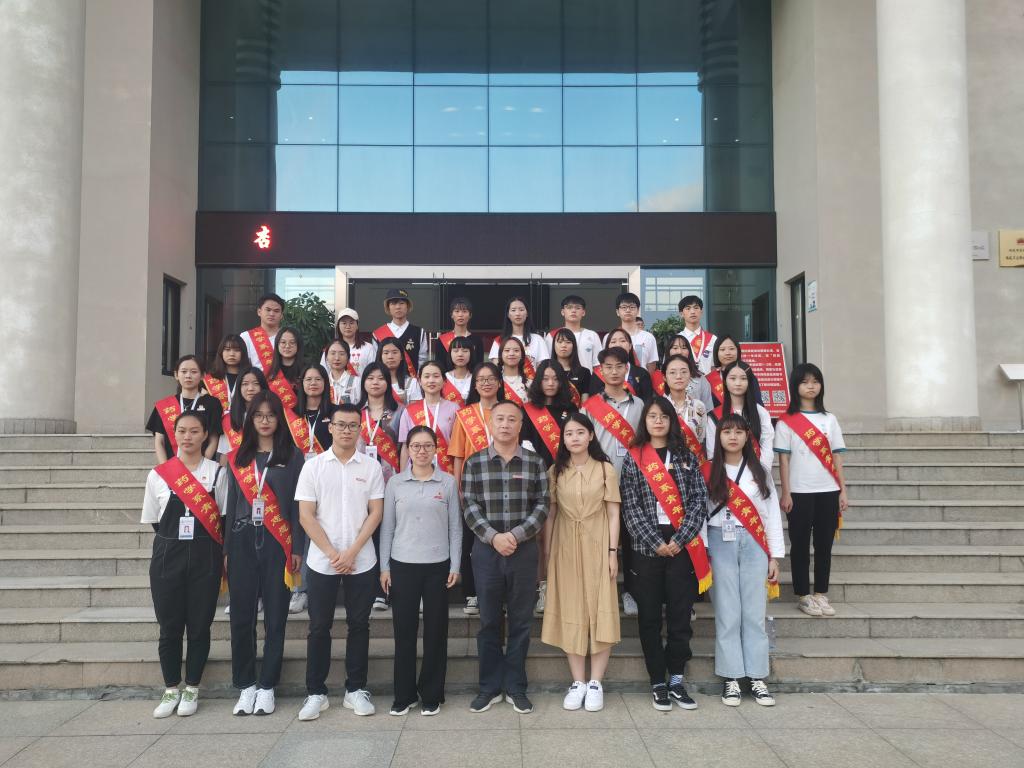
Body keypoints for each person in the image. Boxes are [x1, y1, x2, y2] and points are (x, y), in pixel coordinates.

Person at [295, 404, 385, 721]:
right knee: (319, 626)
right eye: (341, 425)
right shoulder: (313, 467)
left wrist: (352, 551)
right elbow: (306, 516)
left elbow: (376, 512)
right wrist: (333, 553)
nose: (347, 430)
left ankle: (355, 690)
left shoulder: (371, 467)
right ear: (330, 428)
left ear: (360, 429)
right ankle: (315, 693)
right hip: (323, 561)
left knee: (359, 625)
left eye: (353, 425)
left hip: (362, 560)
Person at [619, 397, 710, 712]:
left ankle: (677, 679)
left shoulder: (686, 456)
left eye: (664, 416)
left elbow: (699, 500)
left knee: (680, 616)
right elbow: (630, 507)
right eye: (652, 416)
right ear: (644, 421)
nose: (658, 421)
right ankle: (657, 680)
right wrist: (656, 542)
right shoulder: (634, 457)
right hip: (647, 549)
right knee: (648, 617)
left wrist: (680, 539)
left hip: (682, 547)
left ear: (672, 421)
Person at [462, 401, 549, 715]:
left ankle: (515, 686)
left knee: (521, 621)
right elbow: (469, 505)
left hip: (523, 551)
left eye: (512, 419)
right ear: (490, 422)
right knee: (488, 621)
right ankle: (489, 687)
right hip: (486, 551)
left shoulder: (534, 462)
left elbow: (542, 505)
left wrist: (516, 535)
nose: (505, 424)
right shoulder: (474, 462)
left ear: (520, 425)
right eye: (500, 418)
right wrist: (494, 537)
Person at [222, 391, 304, 717]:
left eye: (271, 415)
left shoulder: (293, 456)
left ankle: (267, 685)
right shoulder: (237, 458)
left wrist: (297, 547)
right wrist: (226, 549)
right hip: (242, 540)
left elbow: (297, 506)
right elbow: (230, 506)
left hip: (277, 542)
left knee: (275, 617)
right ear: (250, 419)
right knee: (242, 618)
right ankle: (246, 685)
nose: (265, 421)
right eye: (259, 415)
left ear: (279, 418)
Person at [142, 411, 225, 718]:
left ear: (205, 436)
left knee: (200, 626)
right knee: (170, 627)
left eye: (194, 431)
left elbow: (223, 517)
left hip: (206, 557)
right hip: (168, 557)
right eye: (181, 431)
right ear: (173, 435)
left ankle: (192, 687)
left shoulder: (217, 473)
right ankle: (170, 688)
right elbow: (154, 519)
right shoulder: (159, 474)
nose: (187, 437)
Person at [379, 426, 462, 716]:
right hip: (402, 564)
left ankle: (431, 694)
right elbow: (387, 527)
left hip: (438, 566)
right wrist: (384, 567)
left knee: (436, 632)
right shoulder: (395, 483)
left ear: (436, 449)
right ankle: (404, 695)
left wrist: (455, 565)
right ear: (408, 450)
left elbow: (455, 527)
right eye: (416, 446)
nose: (422, 451)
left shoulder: (447, 482)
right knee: (404, 632)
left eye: (428, 446)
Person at [541, 413, 620, 713]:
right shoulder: (556, 470)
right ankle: (578, 682)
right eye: (568, 434)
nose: (574, 438)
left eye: (579, 432)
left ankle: (596, 682)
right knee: (571, 608)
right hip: (565, 544)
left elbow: (613, 513)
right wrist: (549, 553)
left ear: (590, 436)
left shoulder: (605, 469)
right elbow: (550, 514)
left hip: (598, 541)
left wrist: (612, 552)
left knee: (600, 607)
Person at [704, 413, 784, 707]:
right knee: (728, 612)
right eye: (727, 432)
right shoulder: (708, 470)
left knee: (754, 611)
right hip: (719, 541)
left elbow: (772, 514)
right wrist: (703, 552)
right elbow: (699, 513)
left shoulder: (759, 470)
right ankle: (732, 677)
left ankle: (757, 676)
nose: (733, 437)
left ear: (747, 437)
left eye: (739, 432)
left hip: (754, 542)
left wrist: (774, 555)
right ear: (719, 437)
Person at [775, 363, 848, 618]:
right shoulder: (786, 421)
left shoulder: (830, 419)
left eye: (815, 381)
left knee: (824, 544)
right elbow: (783, 460)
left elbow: (837, 457)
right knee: (800, 544)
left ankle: (821, 593)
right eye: (805, 382)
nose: (811, 386)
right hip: (799, 491)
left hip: (828, 490)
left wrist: (843, 490)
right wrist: (786, 492)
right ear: (795, 386)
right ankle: (803, 595)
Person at [581, 347, 643, 617]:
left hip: (632, 480)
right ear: (600, 371)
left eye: (619, 366)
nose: (614, 371)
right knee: (598, 538)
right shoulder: (590, 406)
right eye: (609, 367)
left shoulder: (640, 405)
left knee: (630, 539)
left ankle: (630, 591)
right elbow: (584, 441)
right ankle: (596, 591)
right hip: (600, 479)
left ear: (627, 369)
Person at [448, 362, 505, 617]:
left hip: (504, 487)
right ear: (475, 385)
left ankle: (500, 595)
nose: (486, 383)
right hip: (473, 487)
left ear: (499, 383)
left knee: (501, 539)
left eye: (490, 378)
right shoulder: (465, 415)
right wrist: (458, 488)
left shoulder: (508, 412)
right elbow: (458, 455)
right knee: (471, 543)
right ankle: (471, 594)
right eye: (480, 379)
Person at [520, 360, 577, 615]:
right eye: (545, 378)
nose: (551, 383)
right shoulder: (528, 410)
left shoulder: (571, 409)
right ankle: (543, 586)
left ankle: (565, 587)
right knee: (542, 536)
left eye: (555, 378)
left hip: (567, 477)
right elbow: (524, 443)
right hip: (537, 478)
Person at [287, 364, 336, 614]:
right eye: (308, 379)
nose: (313, 383)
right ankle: (298, 589)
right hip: (297, 478)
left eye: (318, 379)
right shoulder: (291, 415)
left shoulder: (334, 413)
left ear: (325, 383)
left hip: (328, 479)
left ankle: (314, 587)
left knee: (321, 530)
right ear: (301, 384)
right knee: (299, 532)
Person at [357, 362, 404, 611]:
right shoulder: (356, 413)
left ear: (388, 382)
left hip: (390, 481)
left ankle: (384, 591)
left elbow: (404, 447)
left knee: (388, 534)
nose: (375, 382)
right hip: (360, 483)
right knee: (365, 533)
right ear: (363, 382)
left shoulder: (400, 412)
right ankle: (366, 589)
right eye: (370, 378)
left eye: (380, 378)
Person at [147, 355, 223, 464]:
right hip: (172, 467)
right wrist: (166, 467)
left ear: (203, 375)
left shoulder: (212, 404)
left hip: (202, 467)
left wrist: (201, 466)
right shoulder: (164, 406)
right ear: (176, 375)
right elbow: (159, 441)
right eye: (184, 371)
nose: (188, 376)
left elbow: (213, 439)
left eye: (193, 372)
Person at [706, 361, 774, 474]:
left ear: (749, 382)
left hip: (756, 474)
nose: (738, 383)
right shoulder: (715, 415)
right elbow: (712, 451)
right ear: (725, 381)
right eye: (733, 378)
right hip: (726, 475)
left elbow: (767, 446)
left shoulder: (760, 412)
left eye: (743, 378)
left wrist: (762, 474)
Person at [398, 360, 459, 471]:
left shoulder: (454, 409)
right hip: (415, 472)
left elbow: (458, 447)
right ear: (420, 381)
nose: (431, 380)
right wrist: (402, 476)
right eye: (426, 376)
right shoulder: (409, 411)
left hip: (446, 471)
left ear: (444, 380)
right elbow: (405, 447)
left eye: (436, 376)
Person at [488, 296, 550, 376]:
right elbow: (496, 370)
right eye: (513, 310)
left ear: (527, 313)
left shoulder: (538, 340)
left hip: (532, 383)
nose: (517, 313)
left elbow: (543, 370)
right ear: (508, 314)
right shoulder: (499, 340)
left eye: (521, 310)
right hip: (506, 384)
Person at [373, 288, 428, 376]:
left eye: (401, 303)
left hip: (411, 382)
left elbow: (422, 360)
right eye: (393, 303)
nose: (398, 307)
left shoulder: (419, 332)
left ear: (408, 306)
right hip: (386, 381)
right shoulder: (378, 334)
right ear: (388, 307)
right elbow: (376, 361)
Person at [221, 368, 268, 461]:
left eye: (256, 384)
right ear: (239, 388)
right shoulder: (229, 418)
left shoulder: (273, 415)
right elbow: (224, 453)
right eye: (245, 384)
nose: (250, 388)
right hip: (239, 467)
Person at [663, 354, 708, 451]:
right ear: (664, 377)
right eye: (672, 372)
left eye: (684, 372)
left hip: (693, 457)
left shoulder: (699, 406)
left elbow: (701, 438)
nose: (679, 376)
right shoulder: (659, 407)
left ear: (690, 375)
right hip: (666, 458)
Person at [605, 292, 658, 372]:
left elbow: (651, 365)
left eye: (632, 307)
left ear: (638, 310)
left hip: (641, 379)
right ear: (617, 312)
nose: (628, 310)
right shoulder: (609, 337)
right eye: (624, 307)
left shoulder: (648, 337)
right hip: (616, 378)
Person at [659, 335, 714, 410]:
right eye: (675, 348)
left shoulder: (700, 378)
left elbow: (708, 408)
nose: (680, 351)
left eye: (684, 348)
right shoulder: (660, 378)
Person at [598, 328, 654, 401]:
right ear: (607, 346)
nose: (618, 344)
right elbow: (593, 401)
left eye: (622, 341)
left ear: (630, 346)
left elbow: (647, 402)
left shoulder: (642, 373)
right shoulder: (598, 375)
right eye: (613, 341)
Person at [709, 334, 763, 408]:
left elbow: (758, 405)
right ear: (716, 353)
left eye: (731, 349)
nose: (727, 353)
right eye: (722, 349)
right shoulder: (709, 380)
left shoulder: (748, 376)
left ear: (738, 351)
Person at [435, 296, 486, 372]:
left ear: (470, 315)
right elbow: (439, 366)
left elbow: (479, 366)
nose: (460, 315)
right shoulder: (442, 340)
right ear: (451, 315)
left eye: (464, 311)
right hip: (447, 378)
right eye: (457, 311)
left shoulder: (477, 340)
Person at [551, 295, 602, 370]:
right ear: (562, 312)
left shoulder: (592, 335)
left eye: (578, 308)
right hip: (560, 376)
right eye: (569, 307)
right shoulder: (553, 335)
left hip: (586, 377)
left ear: (583, 312)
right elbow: (548, 363)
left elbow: (598, 365)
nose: (573, 311)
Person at [240, 293, 285, 373]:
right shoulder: (246, 337)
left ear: (281, 315)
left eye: (276, 311)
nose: (272, 314)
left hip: (283, 381)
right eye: (268, 310)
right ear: (259, 312)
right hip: (256, 380)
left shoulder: (288, 337)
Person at [204, 334, 248, 414]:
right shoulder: (209, 379)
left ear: (243, 353)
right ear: (221, 352)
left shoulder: (250, 377)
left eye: (237, 350)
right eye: (227, 350)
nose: (232, 354)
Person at [328, 307, 377, 376]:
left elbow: (374, 373)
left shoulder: (368, 348)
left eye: (351, 323)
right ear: (338, 325)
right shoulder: (330, 349)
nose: (348, 326)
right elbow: (324, 373)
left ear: (357, 326)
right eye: (344, 323)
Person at [677, 295, 717, 375]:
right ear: (681, 314)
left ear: (701, 312)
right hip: (683, 381)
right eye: (688, 308)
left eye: (696, 308)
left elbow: (715, 366)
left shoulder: (713, 339)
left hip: (707, 381)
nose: (692, 312)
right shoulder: (676, 339)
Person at [551, 327, 591, 406]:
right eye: (560, 342)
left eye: (568, 342)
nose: (563, 345)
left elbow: (585, 405)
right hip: (551, 413)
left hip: (576, 413)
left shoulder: (584, 373)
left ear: (574, 346)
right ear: (553, 345)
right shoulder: (546, 371)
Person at [377, 336, 422, 406]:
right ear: (380, 356)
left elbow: (415, 410)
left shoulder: (411, 383)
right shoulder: (373, 382)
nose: (390, 357)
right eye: (386, 353)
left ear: (401, 356)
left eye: (394, 352)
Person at [266, 327, 303, 411]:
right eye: (283, 342)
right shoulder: (269, 372)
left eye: (292, 342)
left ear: (298, 345)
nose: (287, 346)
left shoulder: (306, 369)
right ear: (277, 344)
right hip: (275, 415)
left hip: (300, 416)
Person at [324, 339, 359, 406]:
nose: (337, 358)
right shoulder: (323, 382)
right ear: (326, 357)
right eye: (333, 353)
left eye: (342, 354)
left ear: (348, 358)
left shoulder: (356, 382)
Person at [497, 336, 531, 406]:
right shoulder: (495, 382)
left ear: (522, 355)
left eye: (516, 350)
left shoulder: (530, 383)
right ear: (501, 354)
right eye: (507, 350)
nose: (511, 353)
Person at [443, 336, 475, 407]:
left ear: (471, 354)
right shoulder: (444, 378)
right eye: (456, 351)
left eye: (465, 351)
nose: (460, 354)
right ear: (450, 354)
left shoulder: (476, 379)